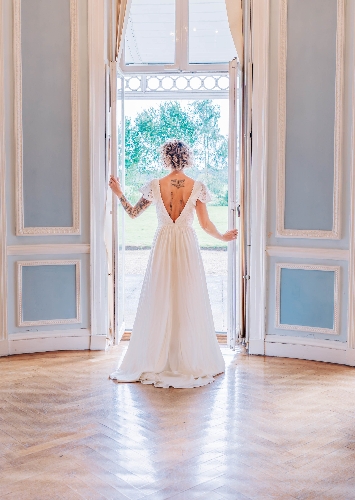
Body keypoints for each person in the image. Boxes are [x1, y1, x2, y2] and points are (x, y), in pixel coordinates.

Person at [109, 139, 238, 388]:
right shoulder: (197, 187)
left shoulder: (155, 186)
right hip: (187, 243)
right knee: (188, 296)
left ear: (166, 158)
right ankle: (187, 358)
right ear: (187, 158)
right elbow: (205, 224)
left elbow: (133, 213)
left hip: (164, 243)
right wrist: (223, 237)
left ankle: (159, 356)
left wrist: (119, 194)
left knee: (160, 296)